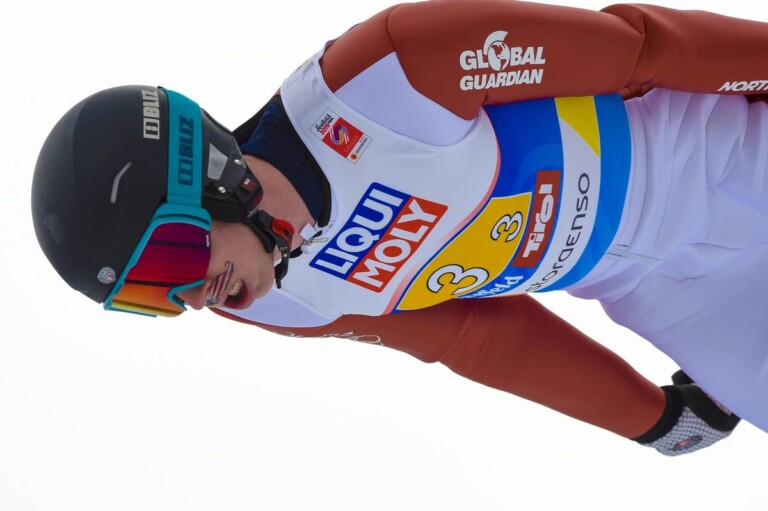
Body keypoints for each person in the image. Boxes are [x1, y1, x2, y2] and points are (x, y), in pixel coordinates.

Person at [31, 0, 767, 456]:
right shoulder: (280, 302)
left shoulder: (383, 77)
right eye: (155, 298)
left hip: (723, 156)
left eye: (169, 261)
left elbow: (640, 46)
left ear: (205, 173)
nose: (193, 299)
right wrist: (651, 418)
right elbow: (478, 338)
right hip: (673, 297)